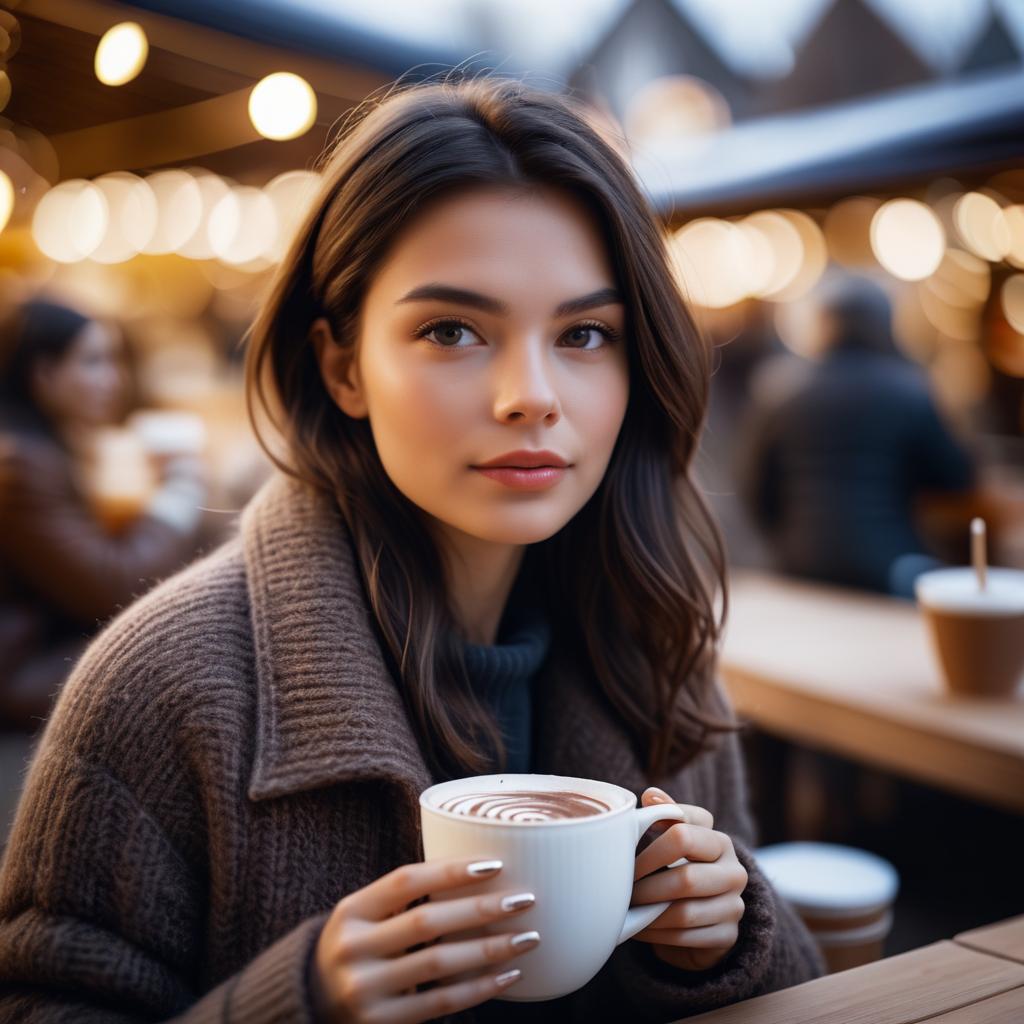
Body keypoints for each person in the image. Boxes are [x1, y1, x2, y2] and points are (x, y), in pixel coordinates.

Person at [0, 77, 824, 1022]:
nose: (531, 395)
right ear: (343, 365)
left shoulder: (656, 646)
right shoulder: (164, 686)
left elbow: (806, 991)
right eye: (452, 330)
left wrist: (722, 937)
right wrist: (295, 1001)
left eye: (586, 334)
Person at [0, 298, 208, 732]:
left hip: (56, 644)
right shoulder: (19, 466)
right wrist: (179, 490)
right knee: (195, 651)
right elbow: (113, 586)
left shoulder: (55, 449)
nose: (115, 380)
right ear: (43, 373)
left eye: (116, 360)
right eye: (94, 362)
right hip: (21, 669)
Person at [735, 273, 977, 599]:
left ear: (821, 324)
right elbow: (957, 479)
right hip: (888, 568)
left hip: (798, 564)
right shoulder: (910, 389)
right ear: (886, 323)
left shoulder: (779, 390)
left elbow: (754, 490)